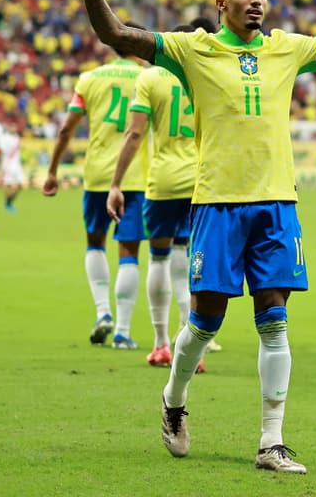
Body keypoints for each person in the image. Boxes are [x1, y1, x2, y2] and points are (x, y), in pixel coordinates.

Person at [73, 0, 316, 473]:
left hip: (277, 203)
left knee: (274, 321)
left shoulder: (288, 48)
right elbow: (118, 35)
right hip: (217, 203)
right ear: (220, 3)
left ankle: (271, 442)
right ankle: (173, 401)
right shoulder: (193, 50)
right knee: (206, 321)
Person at [107, 20, 218, 373]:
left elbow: (135, 135)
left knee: (157, 259)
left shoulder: (151, 78)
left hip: (164, 182)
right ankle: (193, 348)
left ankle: (160, 344)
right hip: (202, 181)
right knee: (187, 261)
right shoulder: (207, 76)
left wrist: (116, 183)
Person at [42, 33, 149, 350]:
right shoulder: (149, 78)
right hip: (134, 176)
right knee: (129, 251)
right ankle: (123, 332)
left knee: (95, 242)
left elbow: (66, 129)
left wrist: (52, 171)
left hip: (97, 176)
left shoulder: (90, 78)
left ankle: (103, 312)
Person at [0, 119, 25, 213]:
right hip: (8, 165)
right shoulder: (4, 138)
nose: (14, 128)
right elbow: (1, 152)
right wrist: (1, 167)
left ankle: (9, 201)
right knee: (8, 185)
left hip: (17, 165)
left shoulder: (17, 137)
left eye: (15, 126)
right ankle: (7, 204)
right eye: (12, 126)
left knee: (20, 185)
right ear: (9, 127)